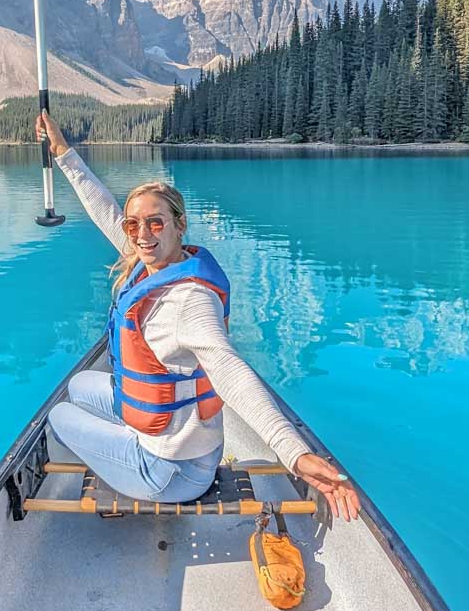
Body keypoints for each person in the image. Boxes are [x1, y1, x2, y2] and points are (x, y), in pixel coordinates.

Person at [36, 110, 361, 521]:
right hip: (176, 439)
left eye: (155, 223)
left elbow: (230, 371)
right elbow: (103, 208)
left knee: (59, 414)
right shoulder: (148, 261)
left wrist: (294, 453)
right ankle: (128, 437)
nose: (141, 234)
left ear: (178, 226)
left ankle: (127, 453)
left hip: (172, 471)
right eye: (133, 224)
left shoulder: (190, 300)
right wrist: (63, 151)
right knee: (81, 384)